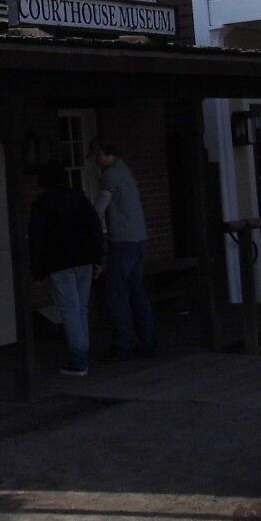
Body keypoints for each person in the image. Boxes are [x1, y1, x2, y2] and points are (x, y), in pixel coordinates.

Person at [27, 160, 104, 377]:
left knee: (69, 310)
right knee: (80, 308)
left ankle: (79, 360)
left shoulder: (42, 204)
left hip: (58, 261)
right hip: (84, 257)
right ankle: (82, 355)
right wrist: (98, 256)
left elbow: (37, 239)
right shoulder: (79, 198)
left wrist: (37, 269)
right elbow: (94, 226)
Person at [93, 139, 156, 358]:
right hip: (139, 240)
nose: (97, 160)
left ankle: (123, 342)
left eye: (98, 155)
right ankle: (148, 340)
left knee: (117, 294)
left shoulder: (109, 176)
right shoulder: (126, 172)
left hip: (122, 241)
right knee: (137, 291)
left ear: (108, 154)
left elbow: (100, 208)